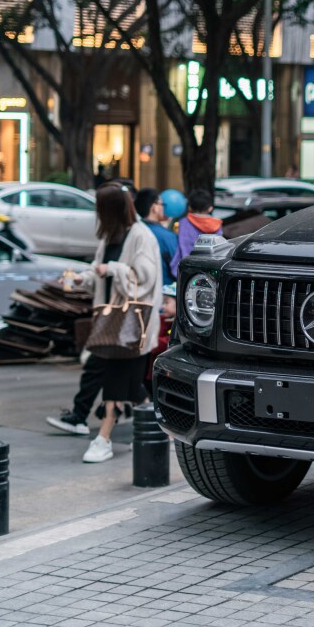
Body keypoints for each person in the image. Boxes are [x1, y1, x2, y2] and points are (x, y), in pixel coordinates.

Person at [47, 184, 162, 462]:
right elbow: (98, 273)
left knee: (116, 379)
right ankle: (154, 429)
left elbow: (144, 277)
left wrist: (111, 269)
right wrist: (79, 279)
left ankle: (104, 438)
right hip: (111, 323)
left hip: (131, 324)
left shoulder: (141, 237)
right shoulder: (110, 237)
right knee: (132, 384)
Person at [170, 188, 223, 278]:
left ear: (189, 207)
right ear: (210, 208)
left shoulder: (183, 223)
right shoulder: (217, 225)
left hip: (185, 270)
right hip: (210, 271)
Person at [134, 188, 179, 287]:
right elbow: (177, 267)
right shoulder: (167, 236)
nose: (163, 208)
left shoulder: (133, 231)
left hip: (137, 289)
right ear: (154, 207)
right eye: (162, 204)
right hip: (163, 291)